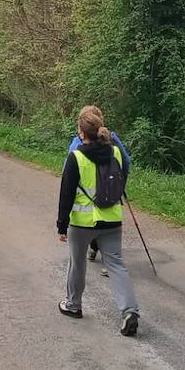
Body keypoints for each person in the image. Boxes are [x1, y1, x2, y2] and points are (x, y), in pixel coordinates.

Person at [57, 105, 139, 336]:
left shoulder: (76, 156)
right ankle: (130, 311)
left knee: (77, 262)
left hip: (83, 223)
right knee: (116, 264)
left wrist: (61, 225)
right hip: (112, 219)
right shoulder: (114, 151)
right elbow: (123, 171)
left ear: (80, 132)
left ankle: (73, 305)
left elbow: (67, 193)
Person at [67, 126, 132, 273]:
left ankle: (95, 251)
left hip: (85, 201)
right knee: (106, 226)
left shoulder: (78, 141)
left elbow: (68, 167)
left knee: (90, 229)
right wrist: (119, 184)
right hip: (110, 192)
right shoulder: (112, 138)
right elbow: (126, 162)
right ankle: (104, 258)